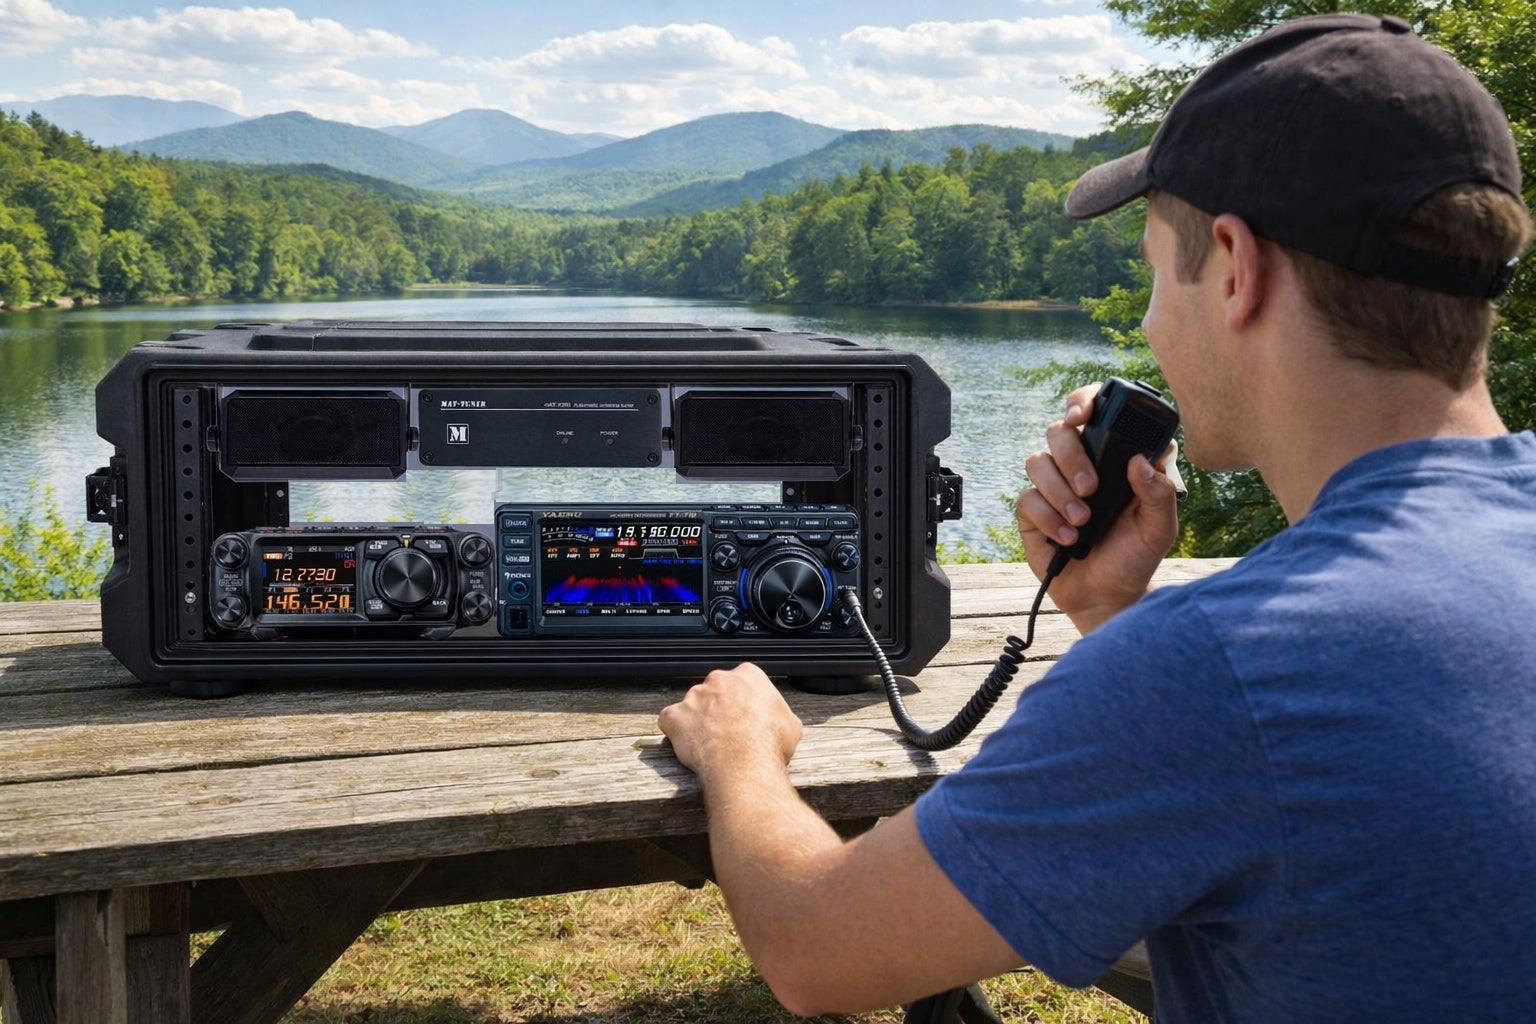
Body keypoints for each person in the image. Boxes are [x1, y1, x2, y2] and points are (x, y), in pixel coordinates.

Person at [658, 13, 1536, 1022]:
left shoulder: (1218, 671)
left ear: (1238, 270)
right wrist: (1113, 615)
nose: (1155, 318)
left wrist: (739, 752)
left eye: (1155, 270)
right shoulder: (1233, 680)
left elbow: (815, 948)